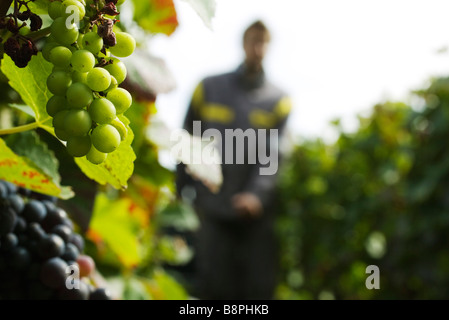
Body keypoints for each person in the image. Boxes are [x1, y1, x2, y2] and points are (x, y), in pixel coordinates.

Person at [176, 20, 292, 300]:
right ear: (243, 43)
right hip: (211, 207)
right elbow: (188, 142)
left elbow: (275, 154)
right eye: (254, 41)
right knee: (212, 287)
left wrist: (256, 195)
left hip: (254, 216)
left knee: (256, 290)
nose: (258, 48)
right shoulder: (208, 88)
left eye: (264, 42)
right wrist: (180, 194)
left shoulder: (278, 100)